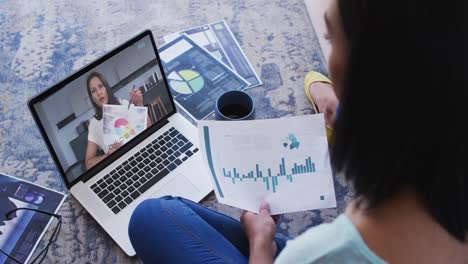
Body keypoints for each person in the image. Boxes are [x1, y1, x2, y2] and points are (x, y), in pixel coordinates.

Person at [128, 0, 468, 263]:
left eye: (331, 38)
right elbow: (313, 80)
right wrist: (333, 98)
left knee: (149, 218)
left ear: (369, 74)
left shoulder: (319, 253)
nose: (328, 57)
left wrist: (261, 246)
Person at [85, 72, 147, 170]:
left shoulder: (123, 104)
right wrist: (107, 155)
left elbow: (149, 129)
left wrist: (140, 104)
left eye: (101, 86)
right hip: (120, 168)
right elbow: (88, 164)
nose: (99, 93)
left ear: (106, 87)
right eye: (93, 91)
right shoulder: (94, 124)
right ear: (92, 98)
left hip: (141, 155)